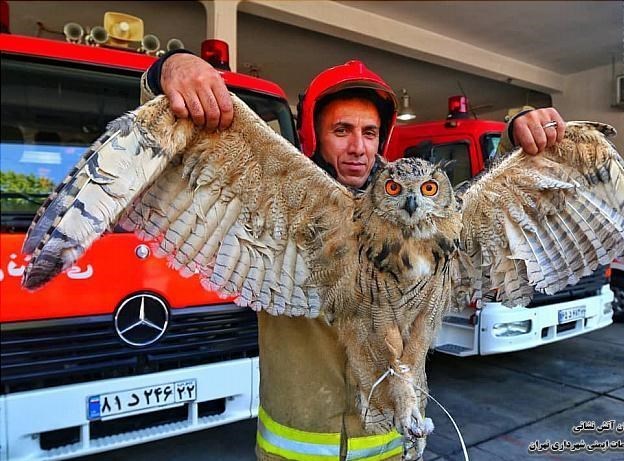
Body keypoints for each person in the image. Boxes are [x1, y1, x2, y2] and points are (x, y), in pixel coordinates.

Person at [140, 50, 566, 461]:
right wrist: (170, 69)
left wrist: (520, 138)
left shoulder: (414, 211)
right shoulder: (276, 196)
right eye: (342, 131)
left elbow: (483, 204)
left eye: (370, 132)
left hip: (390, 447)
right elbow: (170, 133)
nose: (359, 147)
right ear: (314, 134)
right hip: (297, 449)